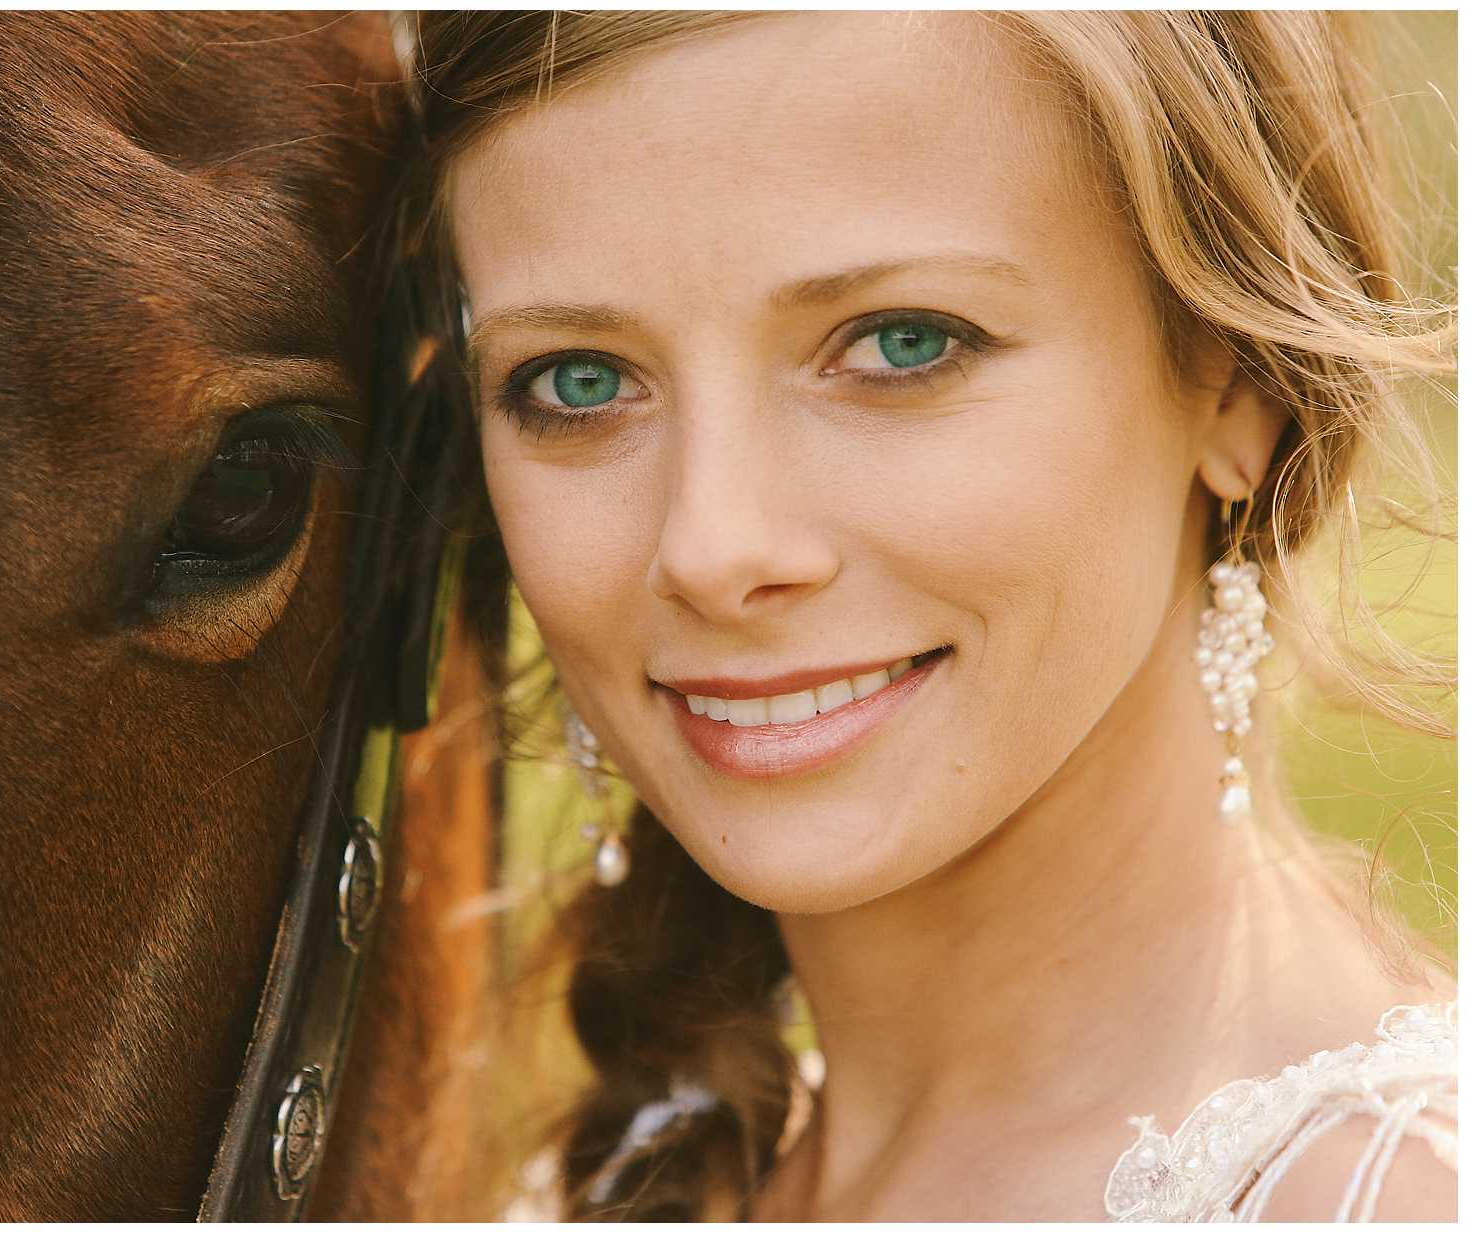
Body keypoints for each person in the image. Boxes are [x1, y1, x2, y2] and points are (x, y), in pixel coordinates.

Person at [386, 11, 1457, 1220]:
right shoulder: (645, 1172)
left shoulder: (1378, 1198)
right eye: (577, 380)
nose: (712, 548)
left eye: (901, 345)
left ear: (1240, 381)